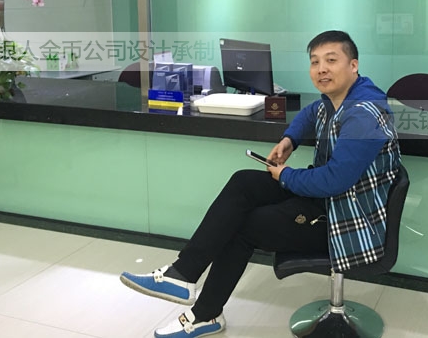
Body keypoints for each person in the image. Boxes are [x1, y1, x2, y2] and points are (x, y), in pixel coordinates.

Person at [120, 30, 401, 338]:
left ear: (353, 65)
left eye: (331, 60)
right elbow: (310, 114)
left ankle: (205, 315)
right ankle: (183, 273)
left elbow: (335, 180)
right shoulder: (338, 99)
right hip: (330, 202)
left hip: (348, 222)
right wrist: (289, 139)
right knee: (243, 182)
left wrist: (287, 176)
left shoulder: (364, 114)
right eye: (315, 62)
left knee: (244, 225)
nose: (322, 69)